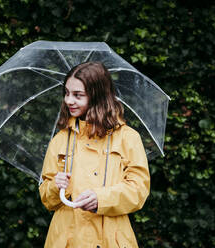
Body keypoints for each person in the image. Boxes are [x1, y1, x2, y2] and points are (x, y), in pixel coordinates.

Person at [39, 62, 150, 248]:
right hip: (66, 239)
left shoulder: (128, 138)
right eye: (66, 93)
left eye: (78, 95)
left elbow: (138, 190)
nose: (68, 100)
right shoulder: (60, 140)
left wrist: (102, 198)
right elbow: (47, 199)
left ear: (97, 95)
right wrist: (54, 186)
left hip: (110, 239)